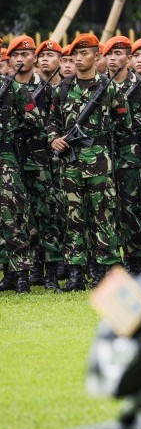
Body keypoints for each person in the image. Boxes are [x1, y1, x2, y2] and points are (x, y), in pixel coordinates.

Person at [48, 33, 131, 291]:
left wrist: (103, 141)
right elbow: (51, 123)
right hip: (71, 162)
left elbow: (124, 124)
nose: (79, 58)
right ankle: (76, 272)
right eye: (75, 54)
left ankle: (104, 270)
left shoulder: (110, 88)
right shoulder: (62, 88)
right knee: (74, 217)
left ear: (97, 56)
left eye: (85, 54)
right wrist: (54, 139)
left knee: (103, 215)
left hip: (100, 163)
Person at [7, 35, 64, 290]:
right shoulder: (4, 89)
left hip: (39, 157)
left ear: (34, 58)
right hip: (11, 156)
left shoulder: (48, 89)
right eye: (16, 55)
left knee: (46, 212)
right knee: (17, 216)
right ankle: (21, 271)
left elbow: (53, 124)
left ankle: (50, 270)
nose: (21, 59)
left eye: (26, 54)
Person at [103, 36, 141, 273]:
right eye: (109, 55)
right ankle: (115, 256)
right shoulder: (100, 86)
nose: (113, 59)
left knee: (134, 206)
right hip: (104, 154)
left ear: (128, 58)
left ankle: (139, 257)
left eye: (118, 54)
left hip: (134, 155)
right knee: (109, 207)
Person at [0, 57, 40, 293]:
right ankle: (7, 272)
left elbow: (34, 122)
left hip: (5, 159)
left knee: (13, 215)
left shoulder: (14, 88)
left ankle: (22, 273)